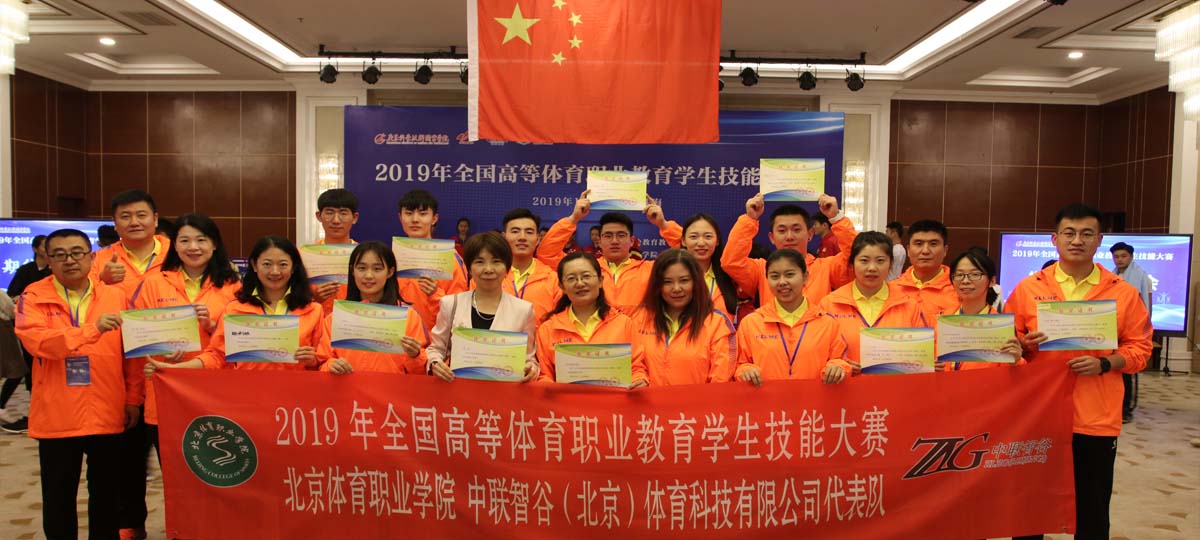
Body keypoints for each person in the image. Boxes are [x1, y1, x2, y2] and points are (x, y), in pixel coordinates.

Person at [1006, 203, 1152, 540]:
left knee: (1092, 511)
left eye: (1087, 234)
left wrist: (1105, 363)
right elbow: (1007, 344)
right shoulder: (1028, 289)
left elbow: (1141, 348)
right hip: (1038, 414)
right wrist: (1024, 345)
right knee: (1029, 509)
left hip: (1096, 417)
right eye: (1069, 233)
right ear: (1054, 239)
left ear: (1099, 240)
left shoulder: (1122, 293)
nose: (1077, 241)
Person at [15, 228, 141, 540]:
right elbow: (38, 342)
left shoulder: (115, 296)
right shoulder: (34, 296)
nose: (69, 260)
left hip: (106, 407)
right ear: (47, 259)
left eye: (77, 253)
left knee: (107, 496)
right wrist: (91, 330)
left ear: (91, 257)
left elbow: (132, 354)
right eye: (59, 255)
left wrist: (132, 399)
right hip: (58, 413)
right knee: (58, 496)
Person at [132, 214, 241, 447]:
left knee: (214, 456)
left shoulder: (232, 286)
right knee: (171, 462)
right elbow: (139, 336)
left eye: (201, 240)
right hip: (167, 385)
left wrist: (212, 327)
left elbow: (240, 342)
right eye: (184, 240)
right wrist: (163, 351)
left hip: (215, 388)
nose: (193, 247)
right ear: (174, 245)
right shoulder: (154, 283)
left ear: (214, 244)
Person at [151, 236, 332, 372]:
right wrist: (176, 368)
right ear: (254, 265)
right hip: (247, 397)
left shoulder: (313, 310)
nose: (275, 271)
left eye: (283, 264)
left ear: (293, 268)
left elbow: (323, 361)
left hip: (293, 400)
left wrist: (312, 359)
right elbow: (217, 355)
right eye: (267, 264)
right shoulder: (235, 309)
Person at [427, 232, 538, 383]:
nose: (488, 269)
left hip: (504, 392)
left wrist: (531, 370)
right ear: (469, 269)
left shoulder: (523, 310)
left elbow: (529, 359)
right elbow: (436, 349)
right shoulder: (451, 304)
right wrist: (435, 363)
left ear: (507, 268)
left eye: (496, 262)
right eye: (479, 262)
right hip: (460, 391)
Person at [735, 249, 850, 385]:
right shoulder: (751, 323)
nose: (782, 282)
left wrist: (837, 367)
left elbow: (841, 360)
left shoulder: (827, 323)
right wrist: (745, 371)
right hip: (767, 398)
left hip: (813, 398)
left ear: (805, 277)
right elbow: (739, 365)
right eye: (774, 276)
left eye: (789, 275)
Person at [721, 193, 855, 309]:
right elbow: (732, 262)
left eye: (796, 230)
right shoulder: (762, 270)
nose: (789, 236)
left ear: (810, 234)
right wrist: (749, 219)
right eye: (782, 230)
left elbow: (855, 257)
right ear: (772, 238)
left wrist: (836, 218)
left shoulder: (826, 268)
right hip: (772, 330)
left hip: (818, 330)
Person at [535, 251, 648, 387]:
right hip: (565, 400)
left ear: (600, 281)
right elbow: (544, 375)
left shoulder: (623, 324)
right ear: (562, 287)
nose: (580, 283)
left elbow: (637, 368)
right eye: (571, 278)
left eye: (586, 276)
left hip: (613, 400)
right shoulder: (548, 329)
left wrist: (639, 380)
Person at [818, 231, 924, 371]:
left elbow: (920, 357)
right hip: (846, 384)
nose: (872, 268)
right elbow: (818, 354)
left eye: (880, 261)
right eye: (864, 260)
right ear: (852, 263)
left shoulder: (909, 305)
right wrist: (838, 365)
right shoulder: (829, 304)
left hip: (895, 384)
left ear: (891, 263)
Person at [538, 191, 655, 315]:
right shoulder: (585, 267)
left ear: (631, 241)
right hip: (595, 327)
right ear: (599, 241)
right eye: (608, 236)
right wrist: (573, 218)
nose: (614, 241)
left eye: (621, 235)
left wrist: (663, 225)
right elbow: (547, 254)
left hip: (637, 328)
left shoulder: (651, 270)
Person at [632, 249, 736, 386]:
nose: (676, 288)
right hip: (648, 400)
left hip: (699, 400)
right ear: (657, 285)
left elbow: (721, 381)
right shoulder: (641, 318)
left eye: (684, 280)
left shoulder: (717, 323)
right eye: (667, 282)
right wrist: (639, 378)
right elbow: (634, 363)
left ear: (696, 282)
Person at [322, 242, 429, 375]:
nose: (368, 275)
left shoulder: (409, 317)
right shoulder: (335, 318)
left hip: (392, 388)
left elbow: (420, 373)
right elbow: (322, 362)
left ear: (390, 272)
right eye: (362, 268)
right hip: (347, 388)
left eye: (377, 269)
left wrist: (415, 355)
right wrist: (330, 365)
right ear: (352, 271)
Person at [642, 201, 743, 323]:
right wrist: (663, 224)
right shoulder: (670, 275)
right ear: (683, 241)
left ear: (717, 241)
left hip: (722, 335)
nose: (701, 243)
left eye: (708, 236)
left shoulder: (731, 275)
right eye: (694, 237)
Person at [396, 190, 468, 329]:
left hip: (435, 338)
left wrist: (435, 294)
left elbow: (460, 308)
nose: (415, 219)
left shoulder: (450, 258)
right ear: (400, 217)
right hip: (401, 336)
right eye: (409, 213)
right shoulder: (392, 257)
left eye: (423, 214)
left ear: (434, 219)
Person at [0, 234, 50, 427]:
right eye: (45, 246)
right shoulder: (25, 270)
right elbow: (12, 295)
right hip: (26, 326)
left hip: (50, 327)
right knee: (24, 368)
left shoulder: (52, 272)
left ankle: (39, 412)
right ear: (36, 249)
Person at [944, 248, 1022, 370]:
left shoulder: (1001, 327)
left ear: (992, 281)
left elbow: (1011, 374)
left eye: (975, 274)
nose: (965, 281)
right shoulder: (942, 320)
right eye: (959, 275)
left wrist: (1015, 361)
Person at [91, 190, 170, 298]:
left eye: (141, 215)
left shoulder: (177, 253)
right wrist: (102, 279)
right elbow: (82, 297)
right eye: (125, 217)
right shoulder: (97, 259)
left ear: (155, 219)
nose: (134, 223)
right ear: (115, 223)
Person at [1109, 241, 1151, 424]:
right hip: (1111, 329)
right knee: (1112, 373)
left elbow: (1146, 306)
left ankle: (1125, 409)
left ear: (1131, 257)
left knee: (1126, 371)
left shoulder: (1142, 277)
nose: (1119, 259)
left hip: (1130, 331)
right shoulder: (1111, 276)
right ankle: (1114, 408)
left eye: (1123, 256)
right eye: (1116, 256)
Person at [891, 220, 958, 325]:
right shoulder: (891, 290)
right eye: (919, 244)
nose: (925, 251)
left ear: (945, 250)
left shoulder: (959, 289)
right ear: (908, 250)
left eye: (933, 244)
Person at [500, 209, 561, 322]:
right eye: (515, 231)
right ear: (503, 237)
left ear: (537, 239)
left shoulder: (553, 280)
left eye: (529, 232)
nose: (522, 237)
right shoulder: (487, 277)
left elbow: (560, 321)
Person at [311, 188, 361, 312]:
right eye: (329, 212)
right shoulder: (305, 255)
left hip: (354, 321)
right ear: (319, 216)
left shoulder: (364, 255)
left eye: (343, 213)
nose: (336, 220)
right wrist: (312, 298)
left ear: (355, 217)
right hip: (316, 321)